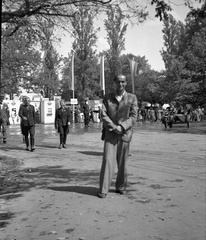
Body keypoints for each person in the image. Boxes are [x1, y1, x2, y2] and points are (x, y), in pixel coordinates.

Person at [98, 74, 138, 198]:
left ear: (126, 83)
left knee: (122, 163)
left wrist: (122, 127)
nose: (120, 84)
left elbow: (133, 116)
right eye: (118, 82)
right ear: (114, 83)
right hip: (110, 134)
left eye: (123, 82)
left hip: (124, 134)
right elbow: (103, 114)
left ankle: (121, 186)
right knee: (107, 161)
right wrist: (113, 127)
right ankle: (104, 189)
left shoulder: (132, 98)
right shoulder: (107, 97)